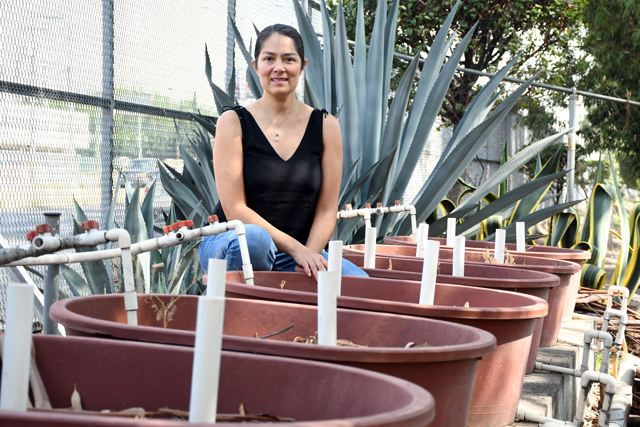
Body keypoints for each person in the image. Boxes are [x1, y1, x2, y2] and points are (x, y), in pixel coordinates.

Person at [198, 23, 367, 280]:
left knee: (359, 283)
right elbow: (235, 209)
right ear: (256, 67)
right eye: (269, 59)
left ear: (302, 66)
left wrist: (308, 257)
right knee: (255, 240)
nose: (279, 68)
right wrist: (297, 250)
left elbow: (326, 210)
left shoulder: (326, 127)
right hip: (234, 241)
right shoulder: (233, 122)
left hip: (294, 254)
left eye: (289, 59)